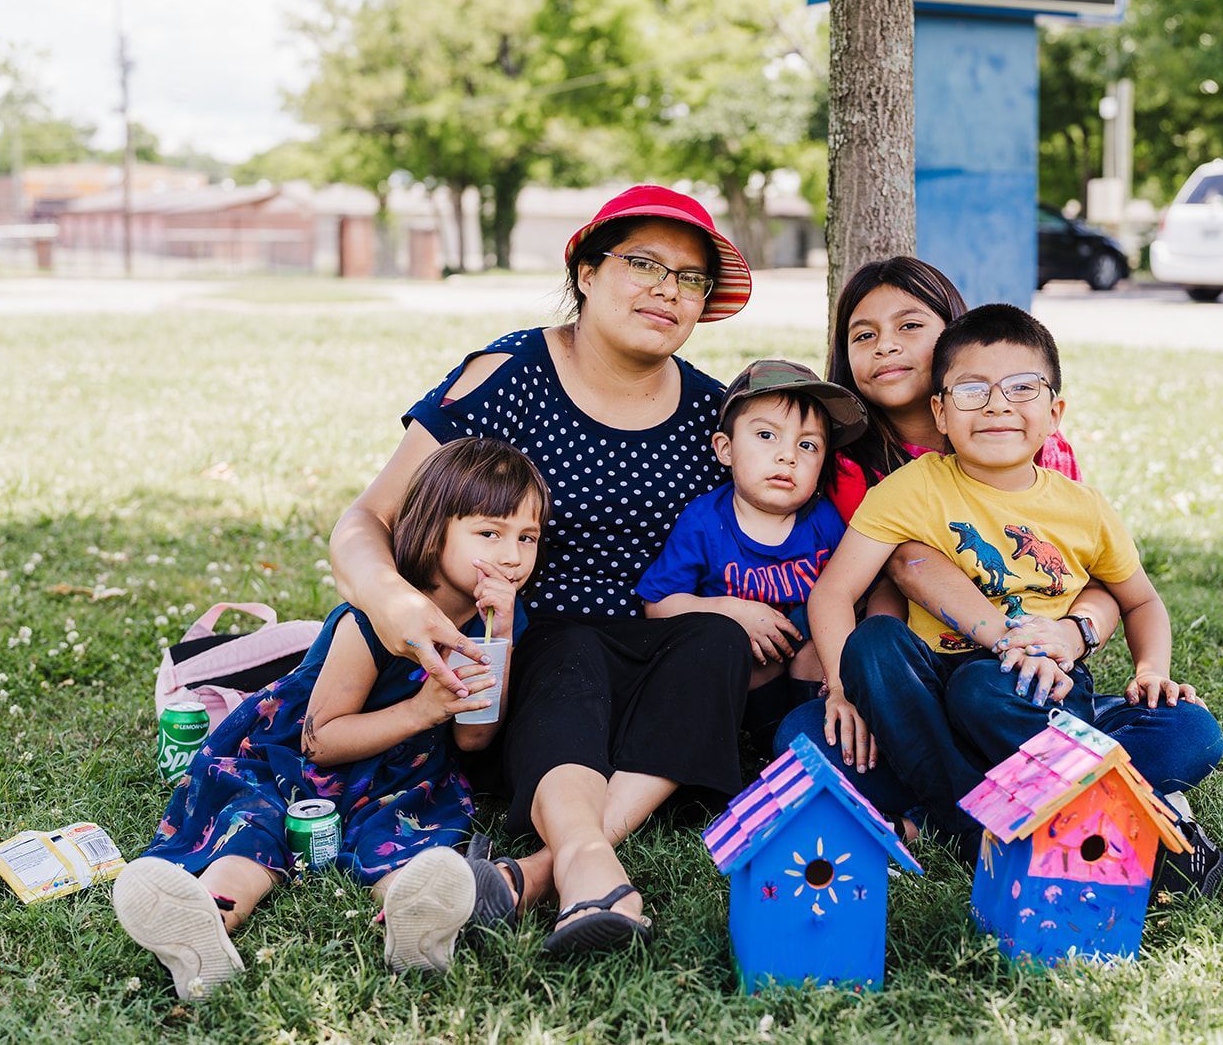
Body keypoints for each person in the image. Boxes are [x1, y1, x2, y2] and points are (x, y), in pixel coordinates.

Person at [327, 185, 755, 955]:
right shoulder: (512, 373)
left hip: (653, 682)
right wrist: (390, 598)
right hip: (530, 670)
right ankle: (586, 861)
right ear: (586, 271)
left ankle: (538, 872)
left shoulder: (712, 416)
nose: (668, 289)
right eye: (643, 264)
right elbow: (368, 518)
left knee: (717, 640)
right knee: (572, 641)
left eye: (691, 277)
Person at [806, 303, 1223, 889]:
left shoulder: (1083, 508)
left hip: (1035, 695)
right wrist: (841, 688)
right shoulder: (912, 489)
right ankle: (1038, 814)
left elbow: (1140, 601)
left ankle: (951, 816)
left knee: (1190, 729)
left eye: (1022, 388)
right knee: (837, 694)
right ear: (941, 412)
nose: (997, 405)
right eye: (972, 390)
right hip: (930, 695)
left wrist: (1152, 670)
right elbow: (834, 593)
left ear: (1055, 412)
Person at [112, 437, 545, 1000]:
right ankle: (207, 920)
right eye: (490, 533)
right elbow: (319, 743)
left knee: (407, 841)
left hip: (401, 776)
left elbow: (474, 738)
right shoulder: (372, 619)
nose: (512, 556)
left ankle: (415, 920)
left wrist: (499, 639)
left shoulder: (499, 622)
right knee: (253, 826)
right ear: (432, 530)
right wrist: (420, 710)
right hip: (291, 765)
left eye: (527, 537)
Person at [776, 258, 1119, 836]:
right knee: (801, 737)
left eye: (910, 326)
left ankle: (942, 801)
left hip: (1010, 677)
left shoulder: (1029, 443)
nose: (886, 346)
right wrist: (844, 686)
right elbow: (874, 585)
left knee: (1179, 734)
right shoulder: (848, 466)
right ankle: (994, 801)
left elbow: (1094, 579)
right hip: (907, 677)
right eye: (864, 336)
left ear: (953, 334)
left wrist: (1073, 632)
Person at [635, 359, 867, 752]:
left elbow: (855, 590)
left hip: (808, 665)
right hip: (744, 672)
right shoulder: (704, 522)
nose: (787, 456)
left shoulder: (823, 520)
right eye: (766, 435)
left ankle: (815, 735)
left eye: (807, 445)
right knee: (735, 648)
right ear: (725, 449)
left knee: (818, 642)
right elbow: (657, 604)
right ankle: (762, 741)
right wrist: (731, 610)